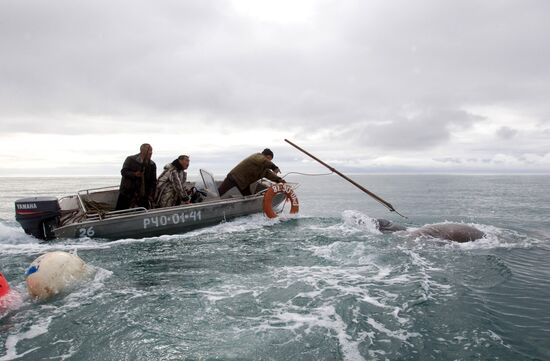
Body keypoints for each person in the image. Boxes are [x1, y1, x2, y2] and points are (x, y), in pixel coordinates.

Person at [218, 148, 285, 197]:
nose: (270, 161)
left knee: (249, 198)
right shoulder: (257, 156)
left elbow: (269, 174)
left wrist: (279, 180)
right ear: (268, 156)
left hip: (244, 184)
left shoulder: (264, 168)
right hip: (234, 178)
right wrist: (274, 167)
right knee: (219, 193)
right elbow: (264, 160)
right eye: (270, 159)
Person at [115, 143, 157, 210]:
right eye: (148, 151)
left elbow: (153, 181)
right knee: (120, 211)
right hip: (127, 192)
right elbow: (123, 171)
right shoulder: (130, 159)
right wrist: (134, 174)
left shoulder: (152, 164)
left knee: (143, 212)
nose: (150, 153)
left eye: (151, 151)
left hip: (143, 195)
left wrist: (151, 194)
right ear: (142, 151)